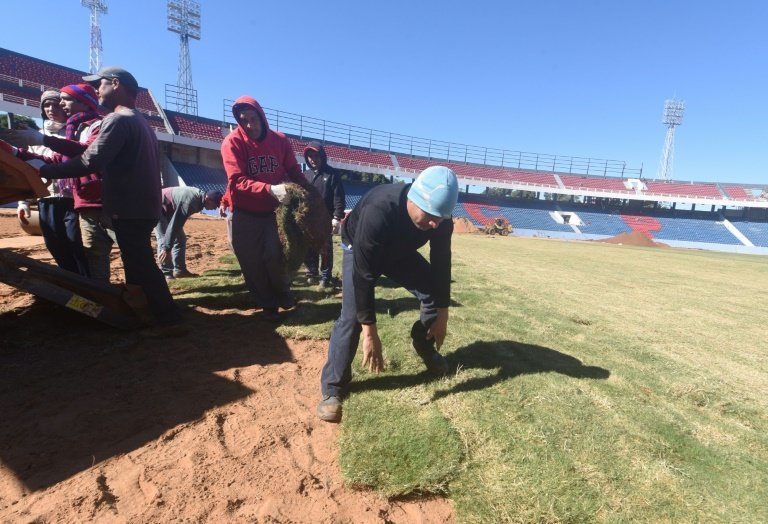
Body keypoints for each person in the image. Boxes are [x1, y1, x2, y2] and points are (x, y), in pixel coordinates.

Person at [38, 67, 181, 326]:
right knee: (139, 265)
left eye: (100, 85)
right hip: (141, 207)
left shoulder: (118, 120)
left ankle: (167, 320)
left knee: (141, 268)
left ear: (115, 84)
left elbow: (90, 160)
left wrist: (45, 169)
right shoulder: (140, 121)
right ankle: (151, 315)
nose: (96, 90)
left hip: (129, 208)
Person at [317, 166, 459, 423]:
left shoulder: (440, 221)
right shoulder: (379, 210)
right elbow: (364, 277)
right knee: (352, 317)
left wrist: (443, 313)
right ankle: (333, 388)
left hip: (398, 251)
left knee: (432, 293)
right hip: (358, 245)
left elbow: (441, 263)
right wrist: (370, 332)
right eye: (430, 215)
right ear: (414, 199)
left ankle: (422, 343)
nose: (435, 224)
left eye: (441, 218)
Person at [220, 95, 316, 322]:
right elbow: (236, 181)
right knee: (251, 262)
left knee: (274, 256)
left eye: (254, 118)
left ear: (262, 117)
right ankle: (267, 304)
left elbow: (293, 170)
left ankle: (283, 293)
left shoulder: (280, 141)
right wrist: (270, 189)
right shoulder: (232, 143)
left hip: (272, 213)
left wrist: (311, 194)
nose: (250, 125)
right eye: (244, 120)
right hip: (243, 212)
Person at [1, 90, 89, 277]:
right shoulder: (32, 137)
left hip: (73, 201)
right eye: (46, 105)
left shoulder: (74, 133)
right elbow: (24, 169)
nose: (51, 109)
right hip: (46, 199)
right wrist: (23, 202)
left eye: (56, 105)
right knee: (54, 244)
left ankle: (88, 285)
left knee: (77, 245)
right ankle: (73, 282)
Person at [303, 141, 346, 290]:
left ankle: (325, 277)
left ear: (322, 156)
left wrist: (336, 217)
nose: (312, 159)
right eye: (309, 156)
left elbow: (339, 198)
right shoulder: (305, 175)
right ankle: (311, 273)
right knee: (309, 248)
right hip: (308, 220)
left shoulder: (332, 174)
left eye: (316, 155)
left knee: (325, 249)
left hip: (325, 219)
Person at [156, 186, 222, 280]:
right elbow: (175, 225)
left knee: (180, 239)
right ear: (208, 199)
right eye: (215, 205)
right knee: (164, 239)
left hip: (170, 208)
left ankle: (180, 271)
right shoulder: (191, 202)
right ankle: (166, 273)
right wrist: (167, 247)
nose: (215, 208)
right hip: (156, 204)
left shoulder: (200, 199)